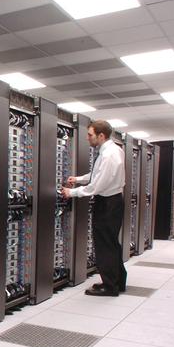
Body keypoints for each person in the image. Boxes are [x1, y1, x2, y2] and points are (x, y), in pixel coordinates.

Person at [61, 120, 127, 296]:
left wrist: (72, 192)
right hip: (113, 201)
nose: (87, 138)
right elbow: (97, 174)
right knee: (111, 243)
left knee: (104, 245)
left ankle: (110, 286)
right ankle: (117, 281)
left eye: (90, 135)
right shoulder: (113, 150)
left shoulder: (108, 155)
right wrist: (78, 179)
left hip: (108, 204)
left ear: (101, 135)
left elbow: (96, 185)